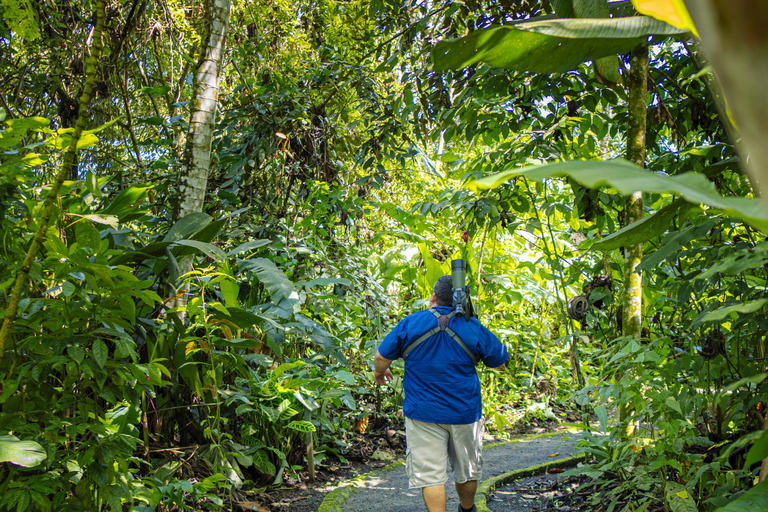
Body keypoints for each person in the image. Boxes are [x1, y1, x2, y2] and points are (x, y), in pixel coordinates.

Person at [374, 275, 509, 512]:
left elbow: (381, 357)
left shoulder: (411, 323)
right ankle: (467, 510)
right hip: (464, 413)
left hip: (423, 413)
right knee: (467, 469)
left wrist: (380, 372)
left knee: (431, 476)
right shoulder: (473, 326)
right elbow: (499, 360)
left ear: (434, 296)